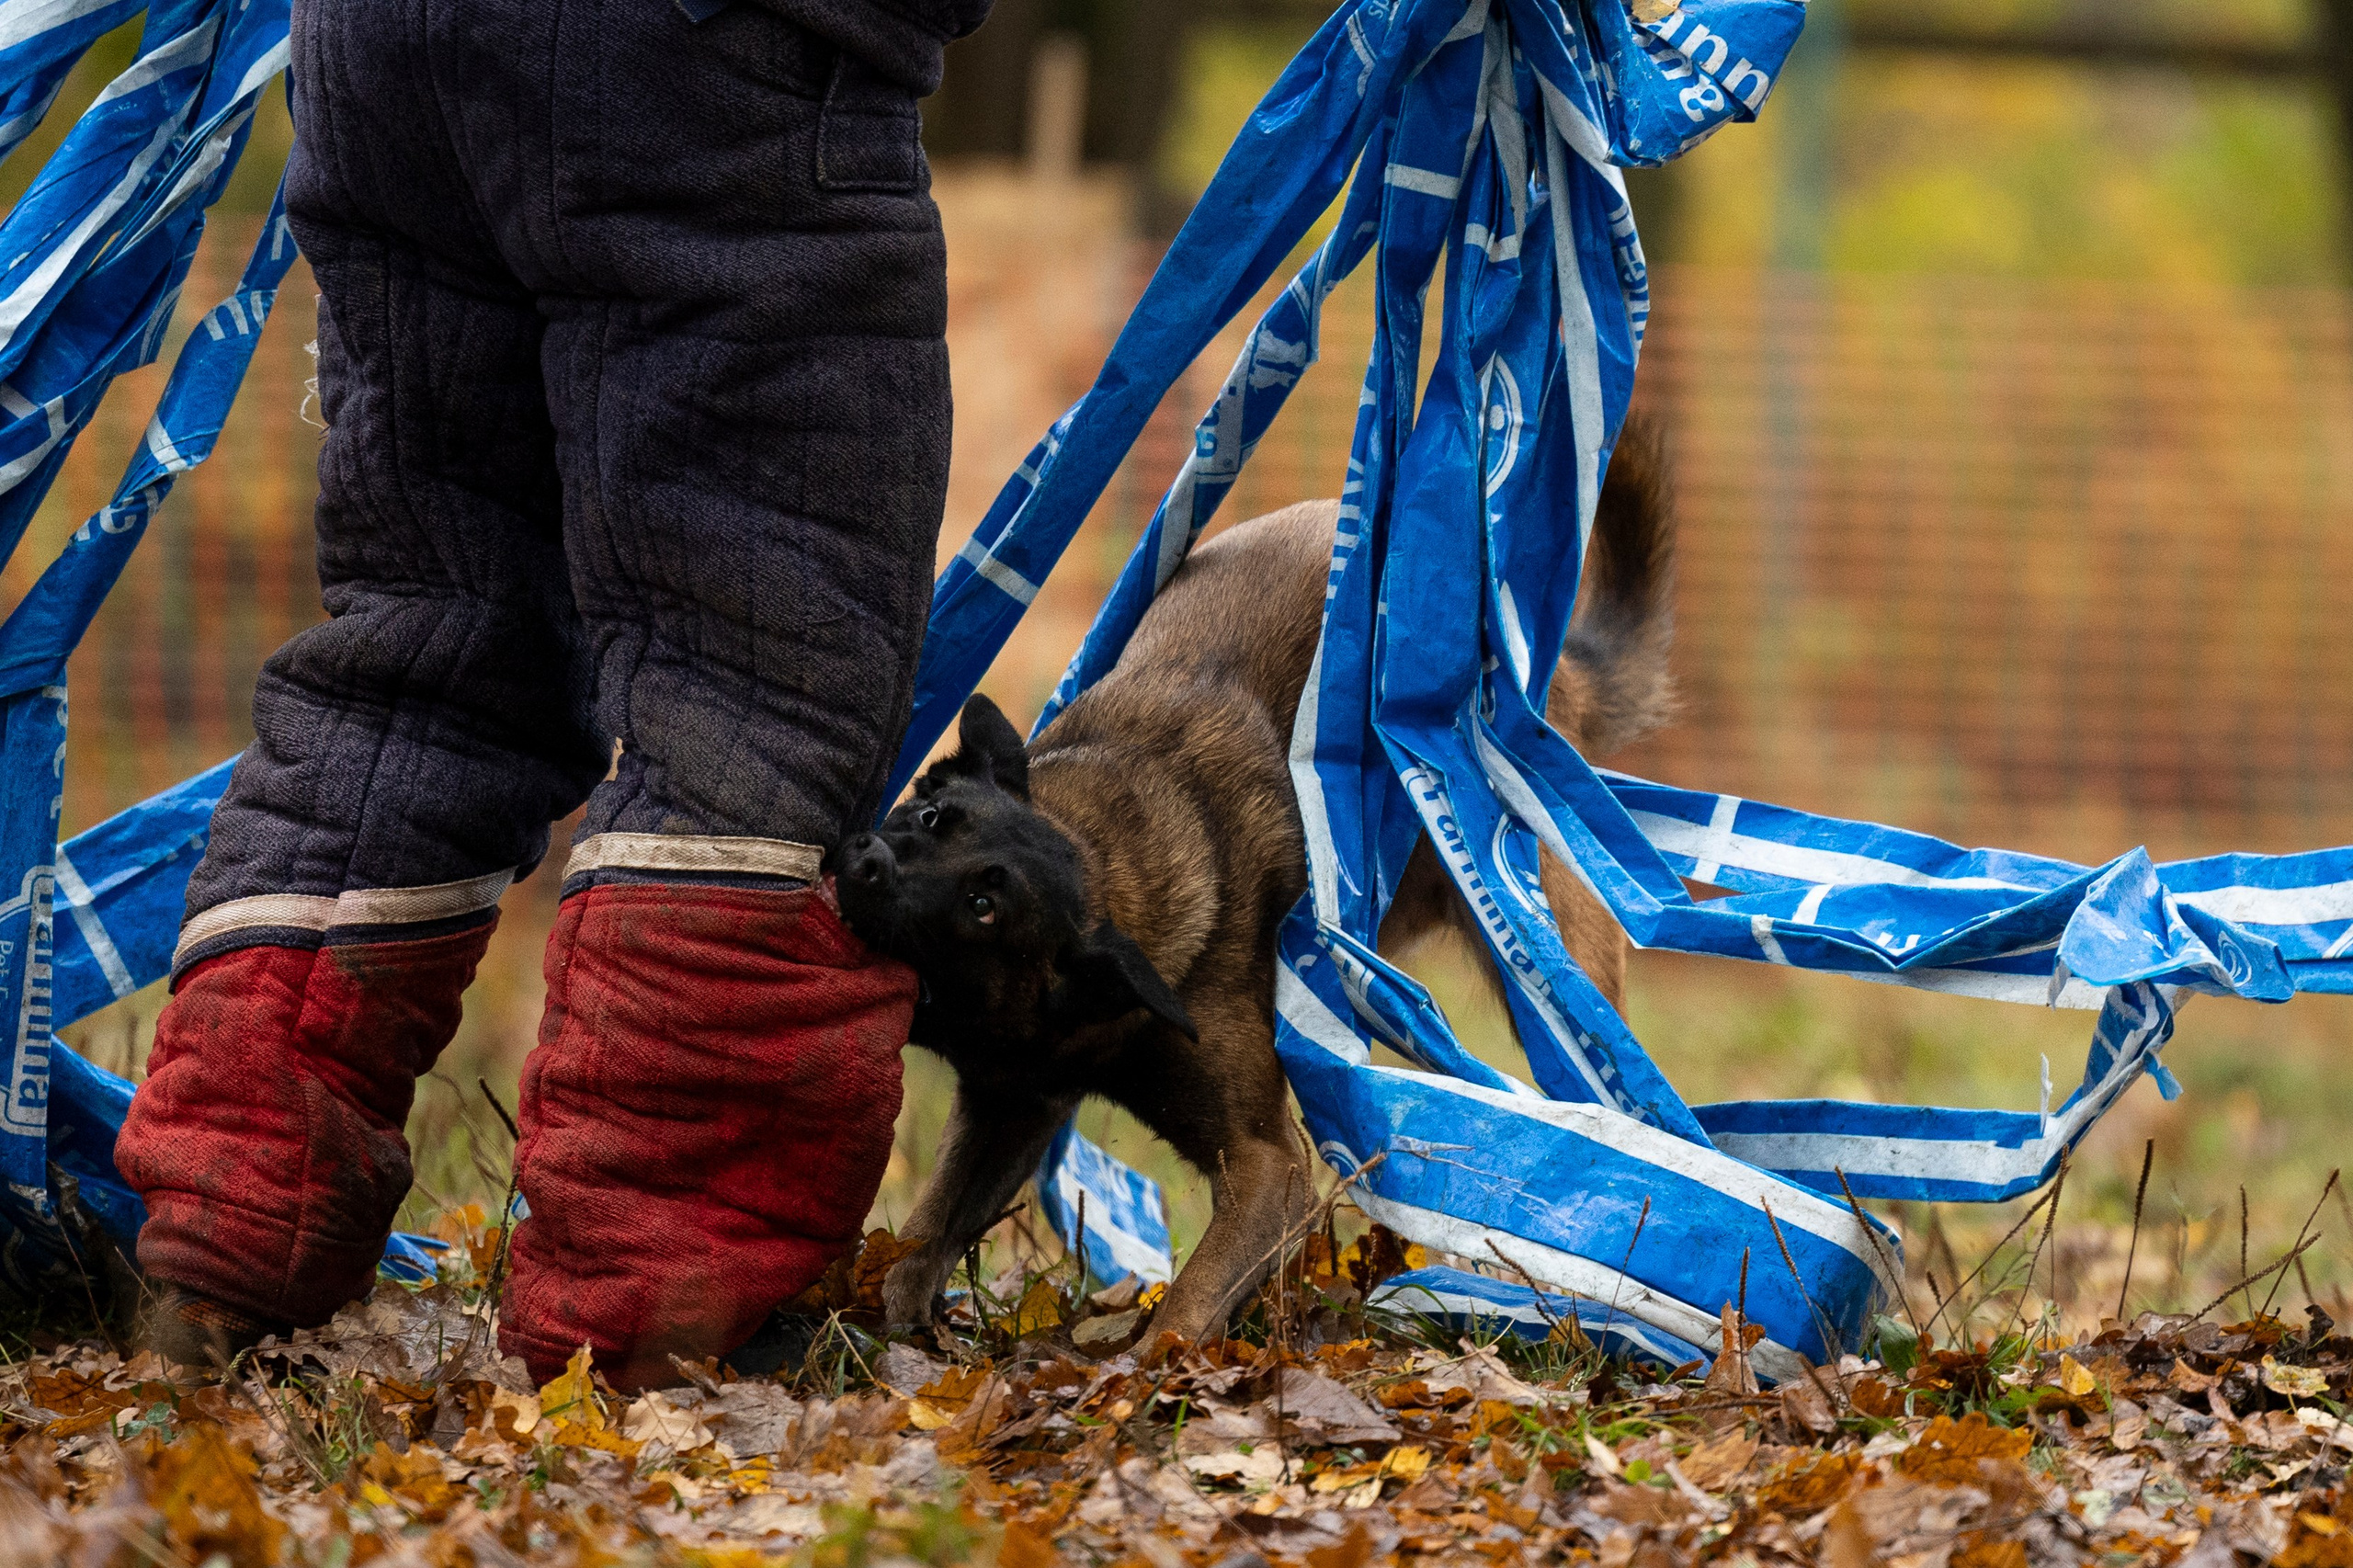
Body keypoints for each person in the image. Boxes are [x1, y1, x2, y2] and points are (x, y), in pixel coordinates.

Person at [111, 0, 985, 1389]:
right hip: (707, 59)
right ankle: (660, 1330)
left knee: (425, 653)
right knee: (755, 693)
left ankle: (225, 1232)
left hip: (374, 51)